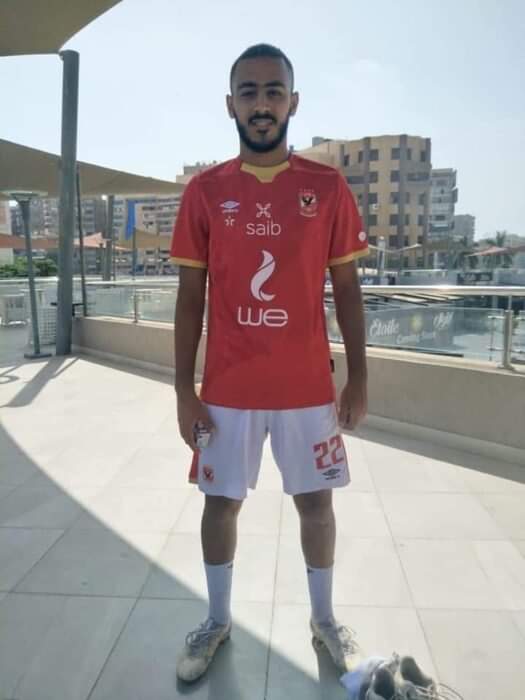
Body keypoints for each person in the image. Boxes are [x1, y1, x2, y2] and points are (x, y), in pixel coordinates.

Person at [170, 43, 369, 683]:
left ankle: (324, 619)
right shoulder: (205, 192)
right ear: (231, 104)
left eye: (274, 92)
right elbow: (190, 297)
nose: (262, 104)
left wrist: (359, 377)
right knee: (219, 505)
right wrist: (183, 390)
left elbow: (346, 289)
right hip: (227, 389)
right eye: (250, 92)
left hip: (307, 388)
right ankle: (217, 620)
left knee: (317, 504)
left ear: (293, 102)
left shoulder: (327, 188)